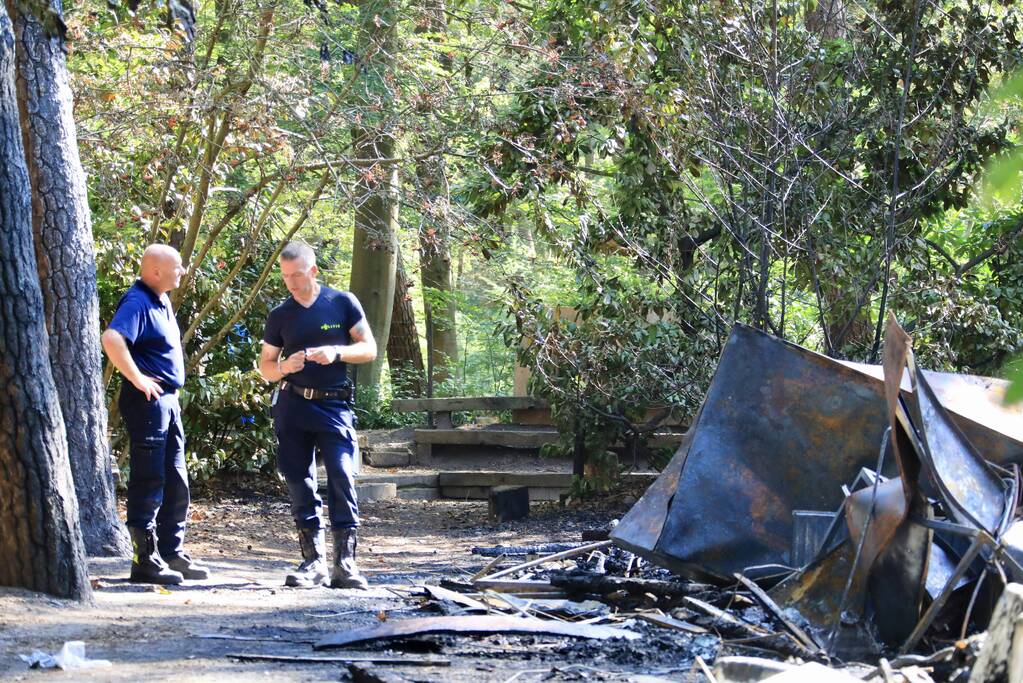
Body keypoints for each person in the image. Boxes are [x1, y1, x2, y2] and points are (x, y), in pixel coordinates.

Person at [259, 241, 377, 589]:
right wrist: (284, 366)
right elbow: (265, 367)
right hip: (292, 406)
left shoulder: (341, 303)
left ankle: (346, 563)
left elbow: (368, 348)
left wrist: (336, 352)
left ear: (312, 270)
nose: (291, 283)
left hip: (333, 405)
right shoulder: (280, 315)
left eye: (296, 275)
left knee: (342, 475)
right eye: (285, 277)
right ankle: (313, 562)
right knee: (299, 480)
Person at [101, 244, 210, 585]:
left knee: (176, 481)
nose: (183, 271)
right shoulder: (137, 301)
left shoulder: (159, 299)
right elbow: (112, 338)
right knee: (149, 480)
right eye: (177, 266)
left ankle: (171, 553)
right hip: (148, 402)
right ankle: (144, 559)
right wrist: (136, 378)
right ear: (156, 271)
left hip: (168, 402)